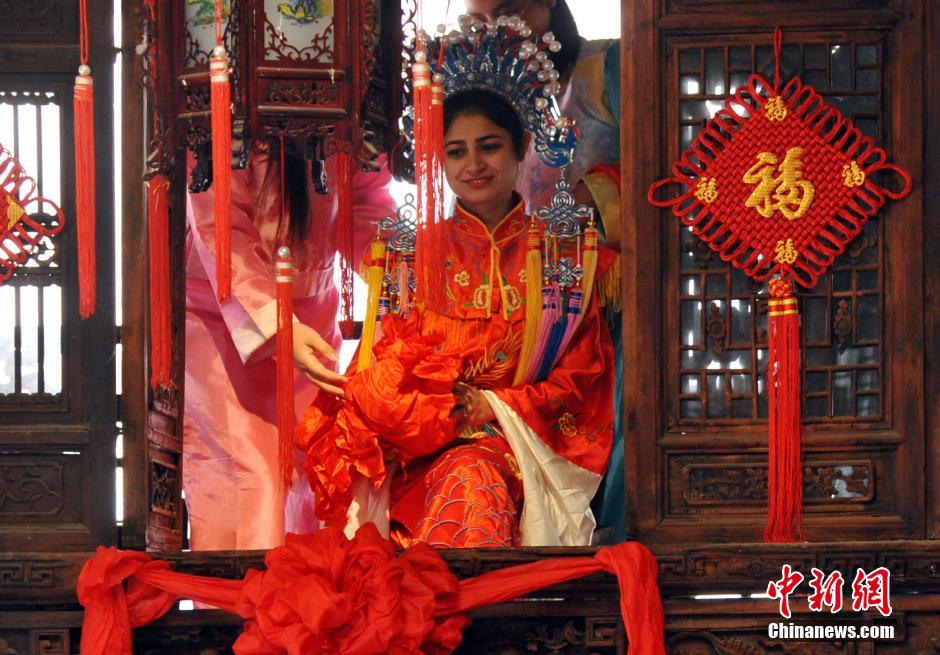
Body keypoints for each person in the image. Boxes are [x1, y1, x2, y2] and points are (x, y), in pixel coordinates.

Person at [294, 85, 616, 548]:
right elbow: (381, 365)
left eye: (490, 146)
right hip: (414, 456)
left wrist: (494, 407)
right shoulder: (408, 260)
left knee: (469, 478)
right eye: (457, 151)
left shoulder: (564, 261)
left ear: (522, 147)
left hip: (515, 450)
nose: (474, 165)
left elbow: (583, 379)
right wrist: (403, 412)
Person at [465, 0, 626, 542]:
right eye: (483, 20)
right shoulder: (487, 98)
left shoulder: (606, 70)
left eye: (514, 10)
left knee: (616, 448)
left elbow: (672, 161)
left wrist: (596, 194)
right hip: (524, 315)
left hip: (607, 305)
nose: (503, 29)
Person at [183, 149, 395, 551]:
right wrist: (278, 324)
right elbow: (220, 224)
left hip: (313, 319)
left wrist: (391, 272)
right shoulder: (227, 117)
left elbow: (367, 202)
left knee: (311, 472)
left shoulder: (343, 122)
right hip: (226, 319)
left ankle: (305, 589)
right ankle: (245, 591)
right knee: (256, 477)